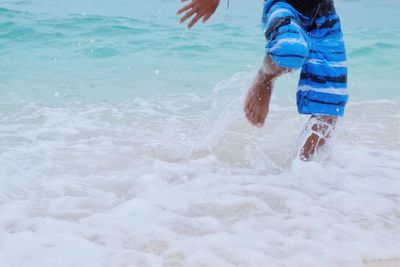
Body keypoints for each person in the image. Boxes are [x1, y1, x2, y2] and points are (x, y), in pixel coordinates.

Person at [177, 0, 348, 160]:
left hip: (325, 16)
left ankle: (302, 173)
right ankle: (265, 77)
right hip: (284, 6)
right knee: (290, 49)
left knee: (328, 109)